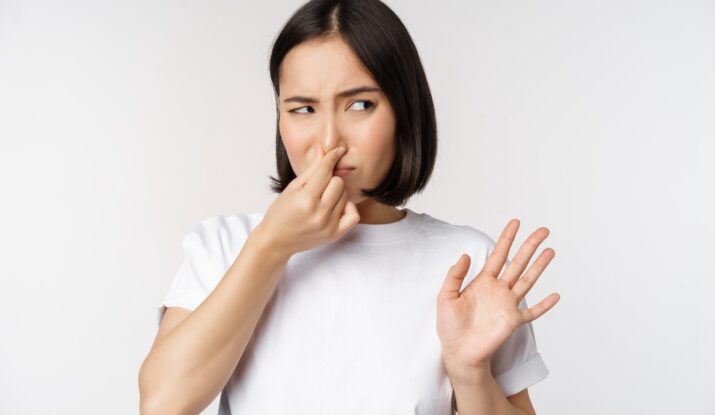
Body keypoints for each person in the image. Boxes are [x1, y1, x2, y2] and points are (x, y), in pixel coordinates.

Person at [138, 1, 560, 414]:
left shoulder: (466, 262)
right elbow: (162, 406)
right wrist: (271, 246)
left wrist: (471, 374)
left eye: (360, 105)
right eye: (303, 108)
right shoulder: (224, 245)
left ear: (404, 112)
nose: (328, 140)